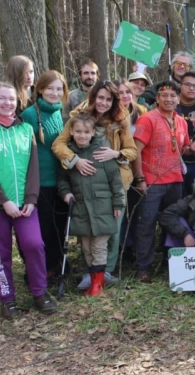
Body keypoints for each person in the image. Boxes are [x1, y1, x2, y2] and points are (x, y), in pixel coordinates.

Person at [0, 82, 56, 319]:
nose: (7, 103)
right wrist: (2, 201)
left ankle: (39, 293)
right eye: (1, 98)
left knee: (34, 245)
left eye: (12, 99)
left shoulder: (26, 130)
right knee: (0, 252)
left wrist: (31, 198)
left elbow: (33, 167)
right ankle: (7, 299)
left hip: (25, 204)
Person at [52, 80, 137, 288]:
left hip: (114, 181)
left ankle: (106, 271)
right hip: (85, 181)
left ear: (114, 102)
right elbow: (59, 144)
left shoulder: (120, 121)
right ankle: (90, 272)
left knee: (112, 230)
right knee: (88, 228)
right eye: (100, 98)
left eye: (108, 99)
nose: (103, 103)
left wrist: (116, 153)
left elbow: (132, 151)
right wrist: (75, 161)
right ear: (93, 97)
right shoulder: (79, 117)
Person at [131, 80, 195, 281]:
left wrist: (192, 149)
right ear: (157, 98)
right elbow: (136, 152)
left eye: (173, 96)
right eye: (164, 95)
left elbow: (182, 149)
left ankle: (170, 262)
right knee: (147, 223)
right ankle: (143, 267)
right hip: (152, 181)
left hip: (176, 180)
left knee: (172, 222)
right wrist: (140, 179)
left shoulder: (181, 121)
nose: (169, 99)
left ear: (178, 99)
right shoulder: (147, 119)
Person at [57, 114, 125, 296]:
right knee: (86, 247)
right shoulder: (69, 156)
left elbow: (115, 181)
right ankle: (94, 279)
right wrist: (66, 193)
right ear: (71, 132)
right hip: (81, 209)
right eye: (78, 131)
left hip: (103, 207)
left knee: (99, 247)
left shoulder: (102, 153)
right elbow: (62, 180)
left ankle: (97, 285)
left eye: (86, 132)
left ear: (93, 132)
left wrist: (118, 204)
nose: (82, 135)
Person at [19, 70, 70, 282]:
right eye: (50, 88)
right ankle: (40, 268)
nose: (54, 93)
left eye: (59, 89)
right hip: (40, 182)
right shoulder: (29, 115)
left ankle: (57, 263)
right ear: (40, 89)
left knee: (60, 225)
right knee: (43, 228)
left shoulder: (60, 113)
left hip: (60, 180)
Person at [114, 79, 148, 256]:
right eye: (120, 93)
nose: (125, 96)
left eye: (127, 92)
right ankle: (118, 248)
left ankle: (130, 247)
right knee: (119, 210)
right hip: (118, 168)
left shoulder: (141, 112)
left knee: (134, 210)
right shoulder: (110, 114)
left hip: (138, 167)